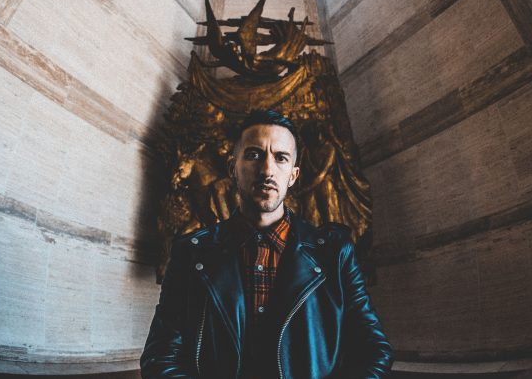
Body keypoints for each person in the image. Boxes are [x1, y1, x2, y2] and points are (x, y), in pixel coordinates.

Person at [141, 110, 393, 378]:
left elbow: (374, 350)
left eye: (281, 158)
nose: (267, 170)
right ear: (233, 168)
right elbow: (160, 357)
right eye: (253, 155)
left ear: (293, 175)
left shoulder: (335, 253)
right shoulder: (191, 253)